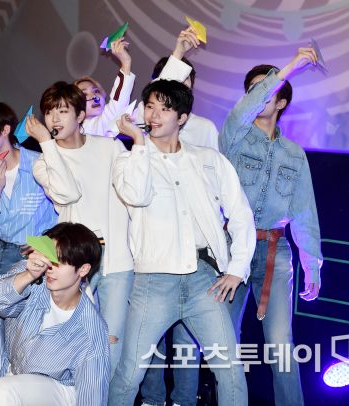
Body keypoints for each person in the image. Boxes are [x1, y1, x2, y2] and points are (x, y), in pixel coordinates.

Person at [109, 79, 256, 406]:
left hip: (204, 280)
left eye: (165, 108)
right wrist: (138, 143)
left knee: (231, 371)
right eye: (150, 107)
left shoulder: (208, 160)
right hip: (154, 282)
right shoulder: (129, 160)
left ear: (183, 117)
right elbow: (136, 195)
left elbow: (241, 213)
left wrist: (236, 269)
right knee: (130, 372)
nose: (154, 115)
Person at [219, 47, 323, 406]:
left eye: (267, 90)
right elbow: (241, 111)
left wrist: (312, 265)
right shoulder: (234, 136)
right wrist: (290, 67)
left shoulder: (295, 154)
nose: (258, 94)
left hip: (275, 253)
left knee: (281, 345)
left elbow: (304, 212)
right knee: (223, 342)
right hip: (232, 249)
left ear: (281, 103)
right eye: (252, 89)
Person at [26, 81, 134, 375]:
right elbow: (68, 193)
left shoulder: (110, 147)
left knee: (111, 342)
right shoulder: (43, 162)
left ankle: (103, 394)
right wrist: (47, 144)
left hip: (116, 258)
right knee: (73, 338)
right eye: (49, 112)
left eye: (62, 111)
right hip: (72, 261)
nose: (54, 119)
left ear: (81, 115)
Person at [139, 27, 220, 406]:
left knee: (188, 337)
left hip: (194, 248)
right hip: (156, 244)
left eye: (186, 82)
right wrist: (177, 50)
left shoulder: (204, 129)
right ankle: (153, 398)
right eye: (172, 82)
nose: (179, 88)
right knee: (151, 335)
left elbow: (216, 187)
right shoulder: (144, 129)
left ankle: (186, 400)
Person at [0, 222, 109, 406]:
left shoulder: (91, 328)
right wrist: (28, 275)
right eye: (48, 256)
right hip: (12, 380)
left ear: (83, 269)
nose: (50, 267)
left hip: (60, 392)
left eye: (60, 261)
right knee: (2, 388)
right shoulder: (31, 274)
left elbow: (91, 394)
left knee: (3, 389)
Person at [0, 101, 58, 277]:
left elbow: (63, 208)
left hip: (29, 255)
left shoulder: (39, 163)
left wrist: (49, 240)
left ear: (5, 130)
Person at [74, 37, 135, 137]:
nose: (94, 96)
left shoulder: (104, 121)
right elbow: (117, 104)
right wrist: (125, 63)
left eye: (96, 91)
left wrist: (126, 63)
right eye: (84, 94)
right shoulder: (79, 129)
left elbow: (116, 104)